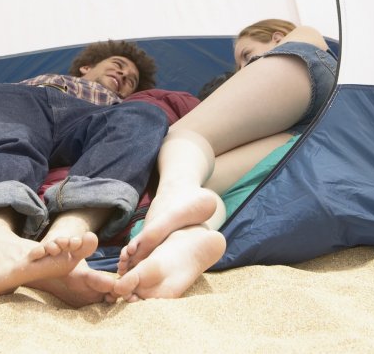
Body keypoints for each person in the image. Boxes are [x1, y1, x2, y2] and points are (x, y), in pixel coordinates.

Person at [112, 19, 337, 301]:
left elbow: (305, 52)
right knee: (208, 185)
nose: (244, 68)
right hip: (311, 134)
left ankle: (172, 194)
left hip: (305, 72)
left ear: (278, 37)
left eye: (246, 55)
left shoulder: (302, 38)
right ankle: (185, 244)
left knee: (184, 135)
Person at [0, 40, 169, 306]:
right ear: (86, 67)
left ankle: (65, 244)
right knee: (8, 133)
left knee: (146, 116)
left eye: (131, 80)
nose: (123, 75)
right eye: (118, 66)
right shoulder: (34, 82)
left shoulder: (121, 104)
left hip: (89, 116)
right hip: (25, 99)